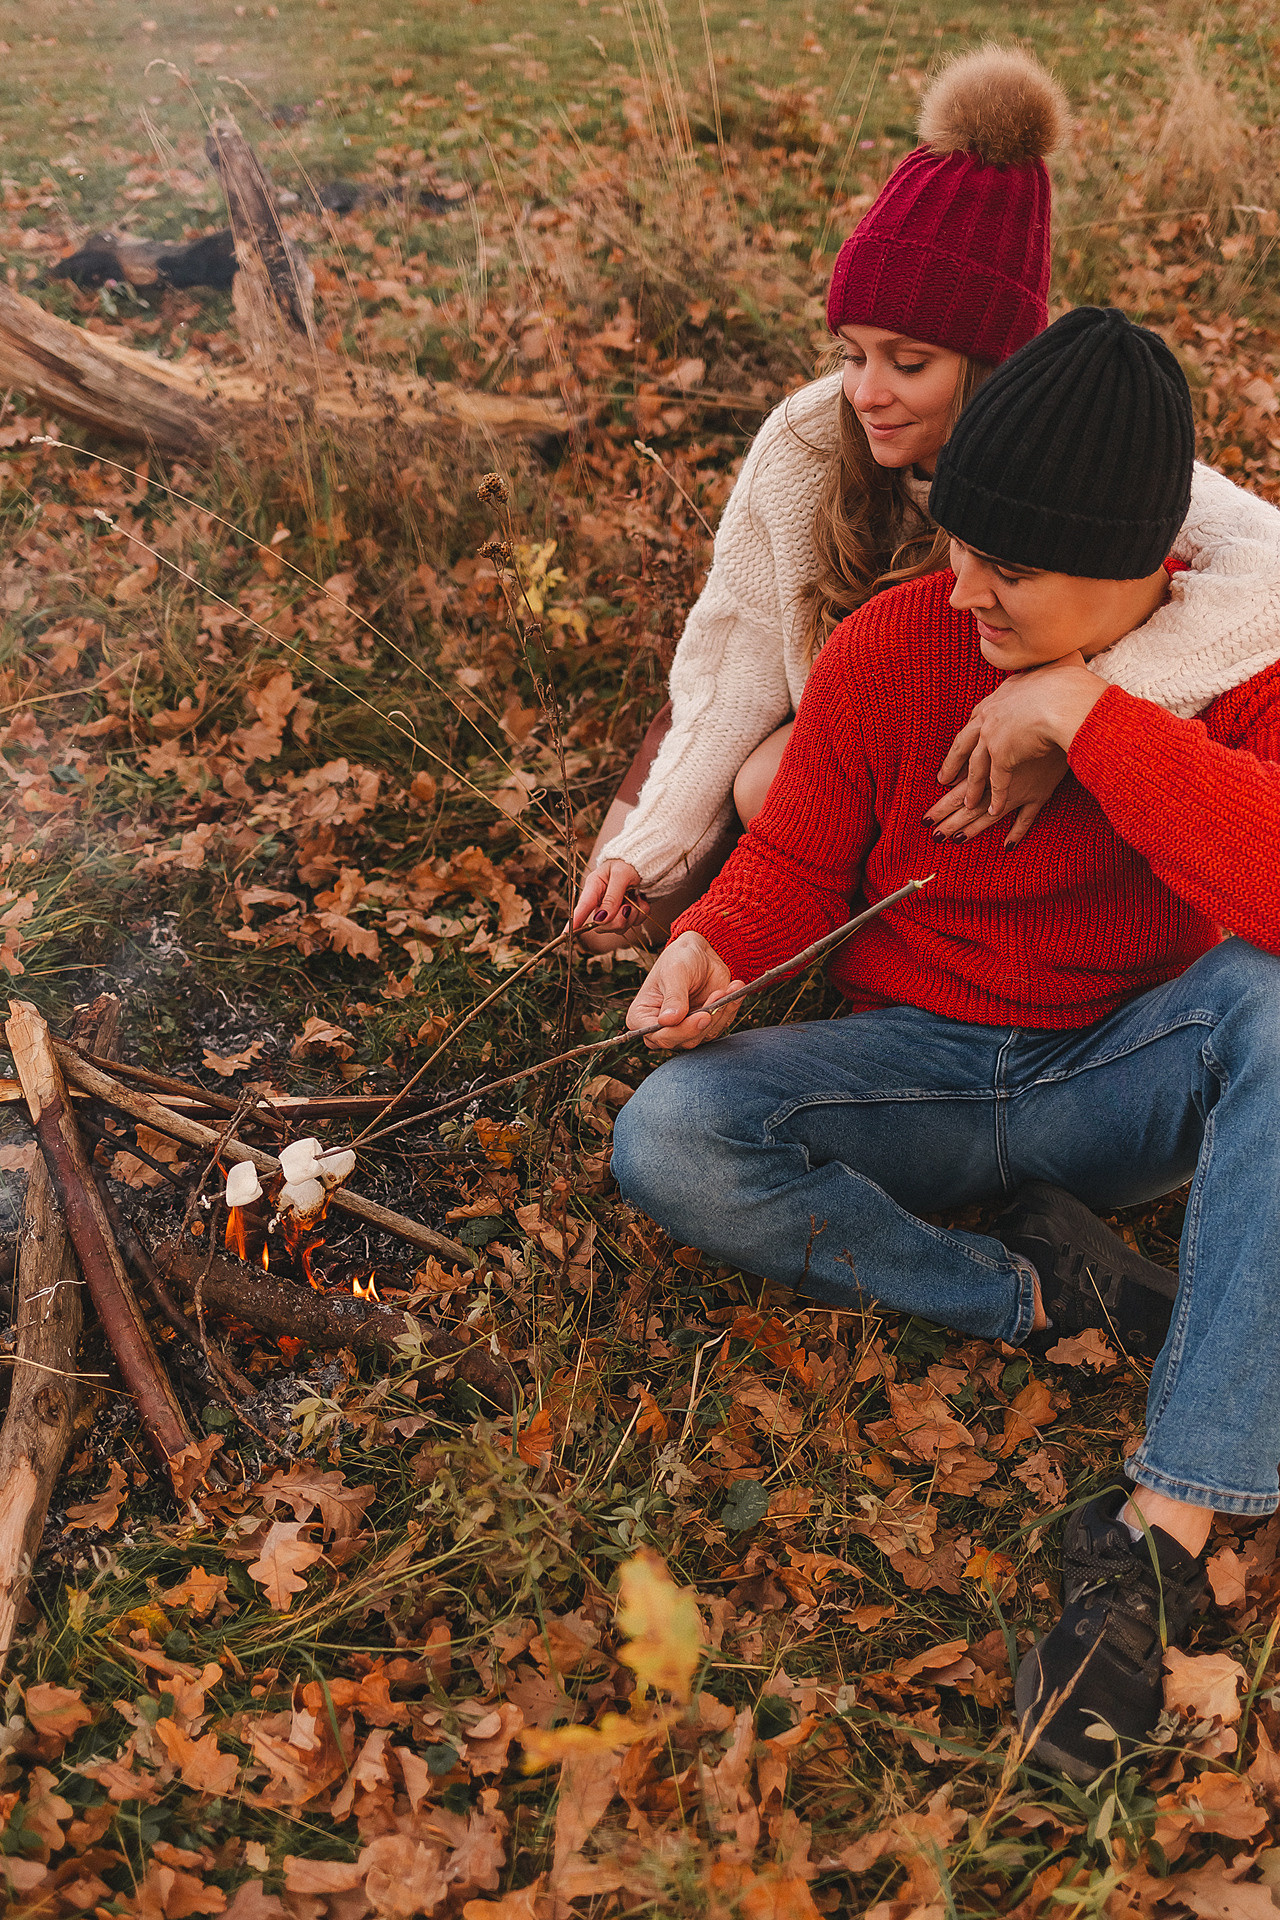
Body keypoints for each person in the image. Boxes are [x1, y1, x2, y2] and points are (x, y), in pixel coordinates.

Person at [610, 306, 1280, 1782]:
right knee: (666, 1134)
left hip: (1123, 1070)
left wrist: (1088, 715)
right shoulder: (895, 645)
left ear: (1143, 564)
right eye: (955, 537)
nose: (962, 586)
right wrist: (712, 946)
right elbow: (790, 863)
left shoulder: (1240, 674)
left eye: (1013, 572)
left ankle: (1163, 1530)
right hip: (912, 1062)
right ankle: (1037, 1287)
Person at [574, 48, 1280, 953]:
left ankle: (902, 946)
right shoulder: (806, 439)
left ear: (992, 365)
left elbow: (1263, 563)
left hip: (981, 762)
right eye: (851, 353)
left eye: (909, 363)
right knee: (628, 897)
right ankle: (771, 908)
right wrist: (655, 843)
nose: (867, 392)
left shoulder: (1069, 456)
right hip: (845, 749)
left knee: (769, 782)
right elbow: (739, 644)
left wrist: (1078, 706)